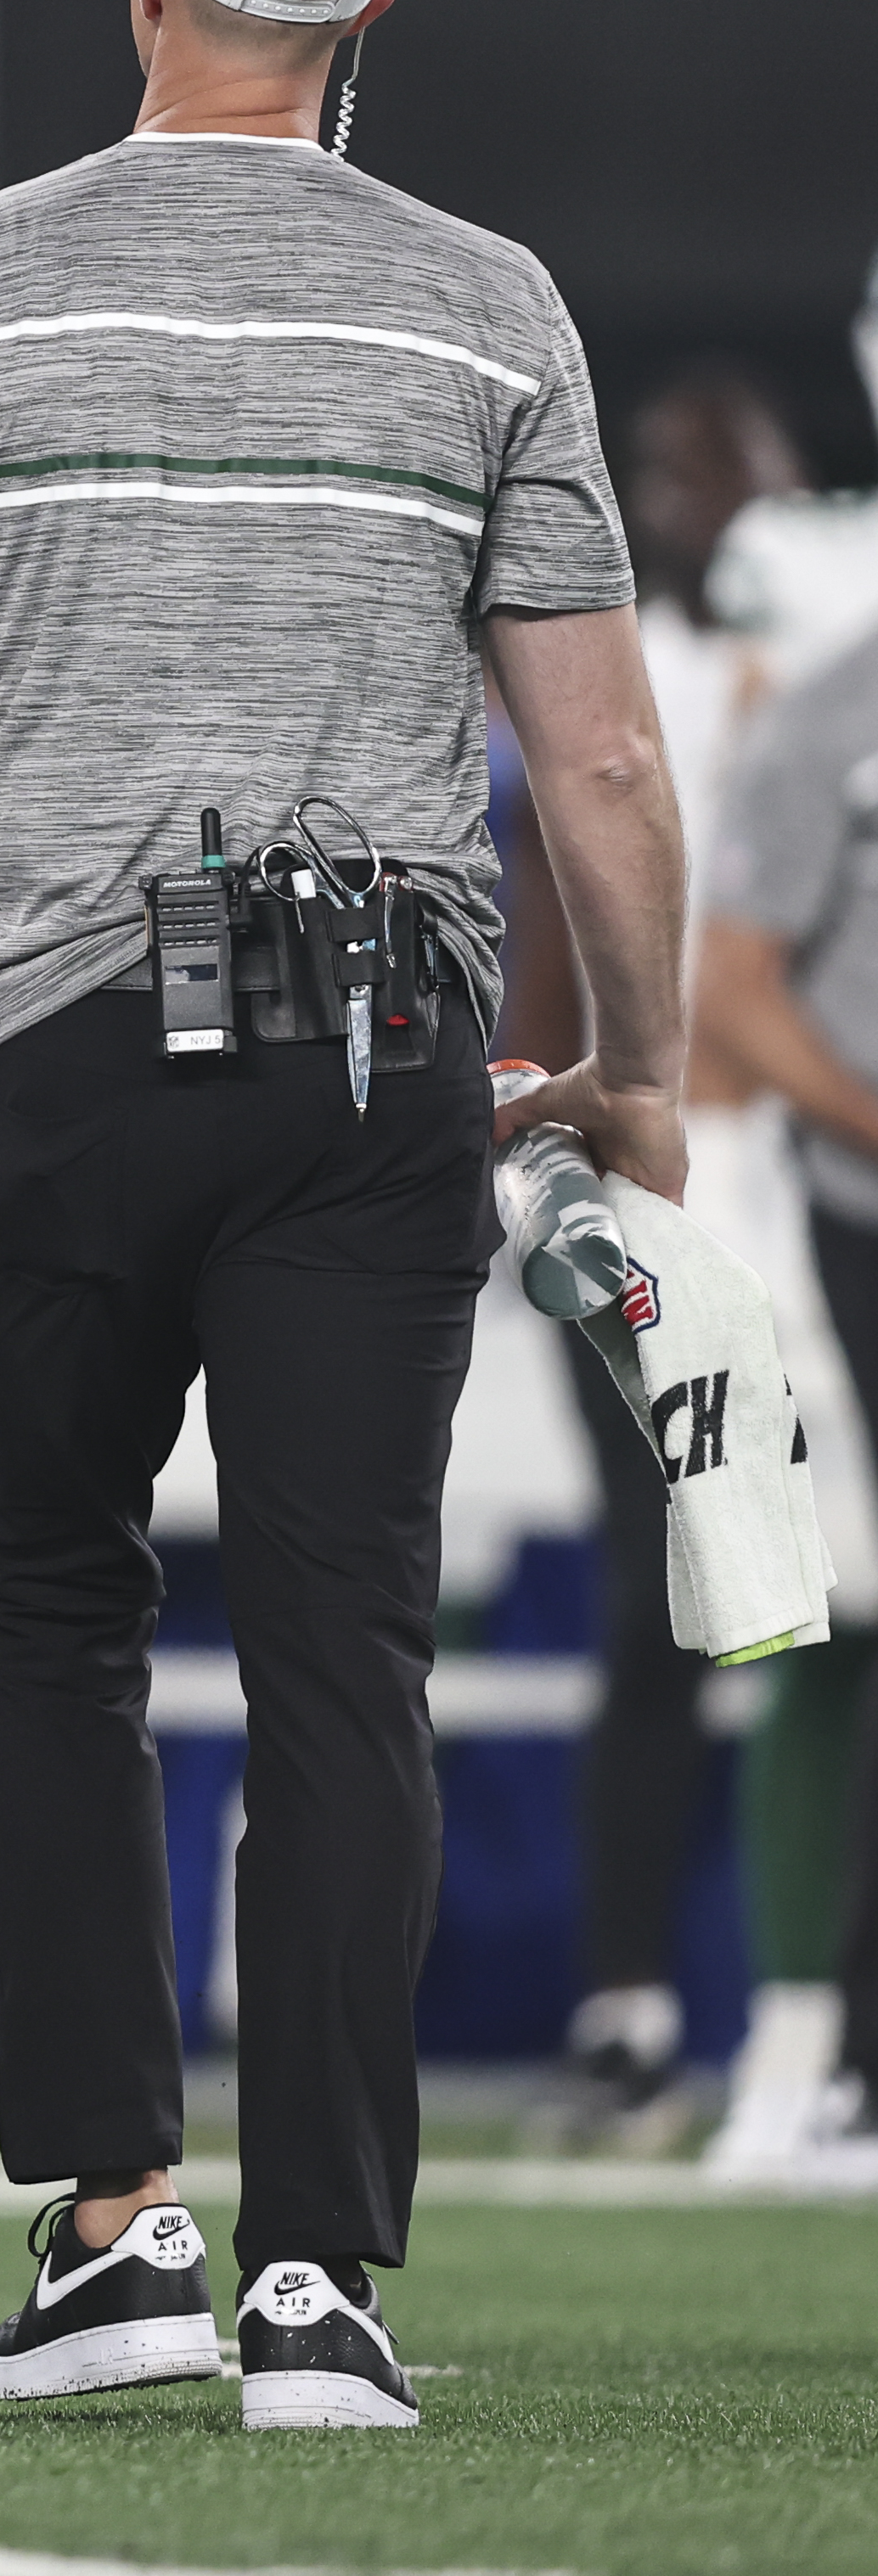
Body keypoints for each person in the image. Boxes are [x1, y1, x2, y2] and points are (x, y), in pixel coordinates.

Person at [0, 0, 677, 2433]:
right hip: (379, 1048)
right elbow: (597, 768)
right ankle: (316, 2286)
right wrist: (636, 1072)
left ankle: (114, 2225)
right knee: (335, 1649)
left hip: (57, 1035)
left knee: (47, 1614)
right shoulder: (487, 306)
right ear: (360, 13)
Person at [494, 365, 813, 2141]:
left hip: (798, 1200)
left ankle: (799, 2007)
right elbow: (565, 895)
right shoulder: (628, 681)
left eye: (735, 478)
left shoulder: (821, 679)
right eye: (680, 481)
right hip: (653, 1190)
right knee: (659, 1598)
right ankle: (634, 2002)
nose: (707, 513)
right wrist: (546, 1171)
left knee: (805, 1611)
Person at [694, 619, 878, 2173]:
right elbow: (733, 987)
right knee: (835, 1607)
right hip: (847, 1221)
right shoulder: (834, 703)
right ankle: (811, 2038)